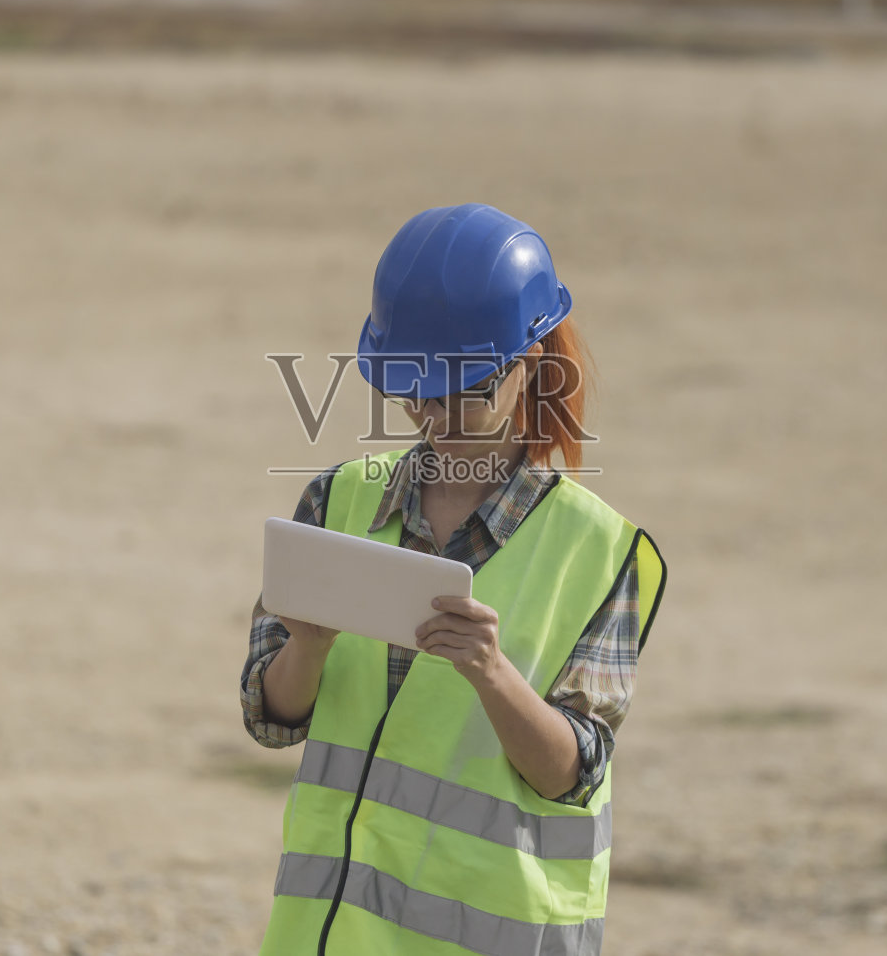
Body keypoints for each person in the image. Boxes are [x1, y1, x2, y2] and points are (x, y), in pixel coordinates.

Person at [240, 203, 666, 956]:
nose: (430, 412)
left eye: (460, 386)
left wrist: (493, 674)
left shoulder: (599, 552)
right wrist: (307, 648)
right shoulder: (337, 501)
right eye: (409, 386)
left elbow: (573, 773)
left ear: (531, 358)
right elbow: (271, 717)